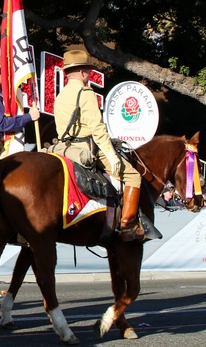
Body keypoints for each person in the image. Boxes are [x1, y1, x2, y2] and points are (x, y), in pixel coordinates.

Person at [53, 49, 143, 240]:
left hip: (65, 148)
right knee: (134, 176)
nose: (88, 75)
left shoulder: (60, 97)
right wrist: (111, 154)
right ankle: (127, 227)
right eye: (88, 71)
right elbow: (97, 128)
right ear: (83, 72)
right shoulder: (85, 93)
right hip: (87, 148)